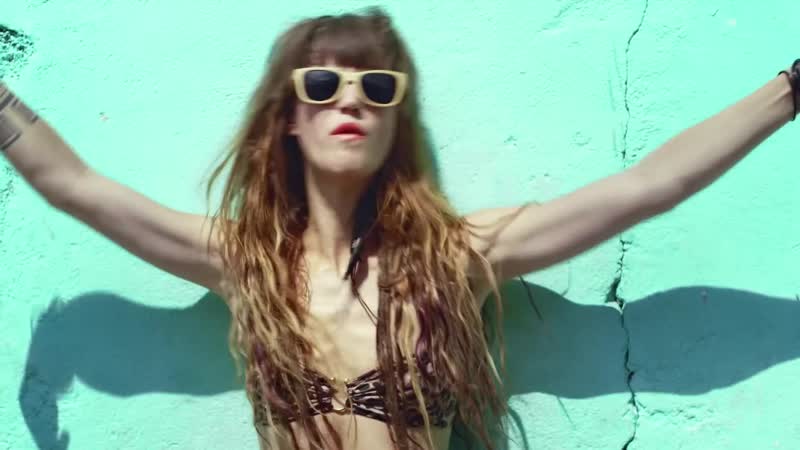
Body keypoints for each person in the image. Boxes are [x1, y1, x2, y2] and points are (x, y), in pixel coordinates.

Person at [1, 7, 797, 450]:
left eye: (376, 87)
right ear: (288, 118)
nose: (351, 98)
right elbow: (74, 186)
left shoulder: (456, 256)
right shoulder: (247, 262)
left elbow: (650, 186)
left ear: (394, 121)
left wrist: (791, 88)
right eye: (323, 83)